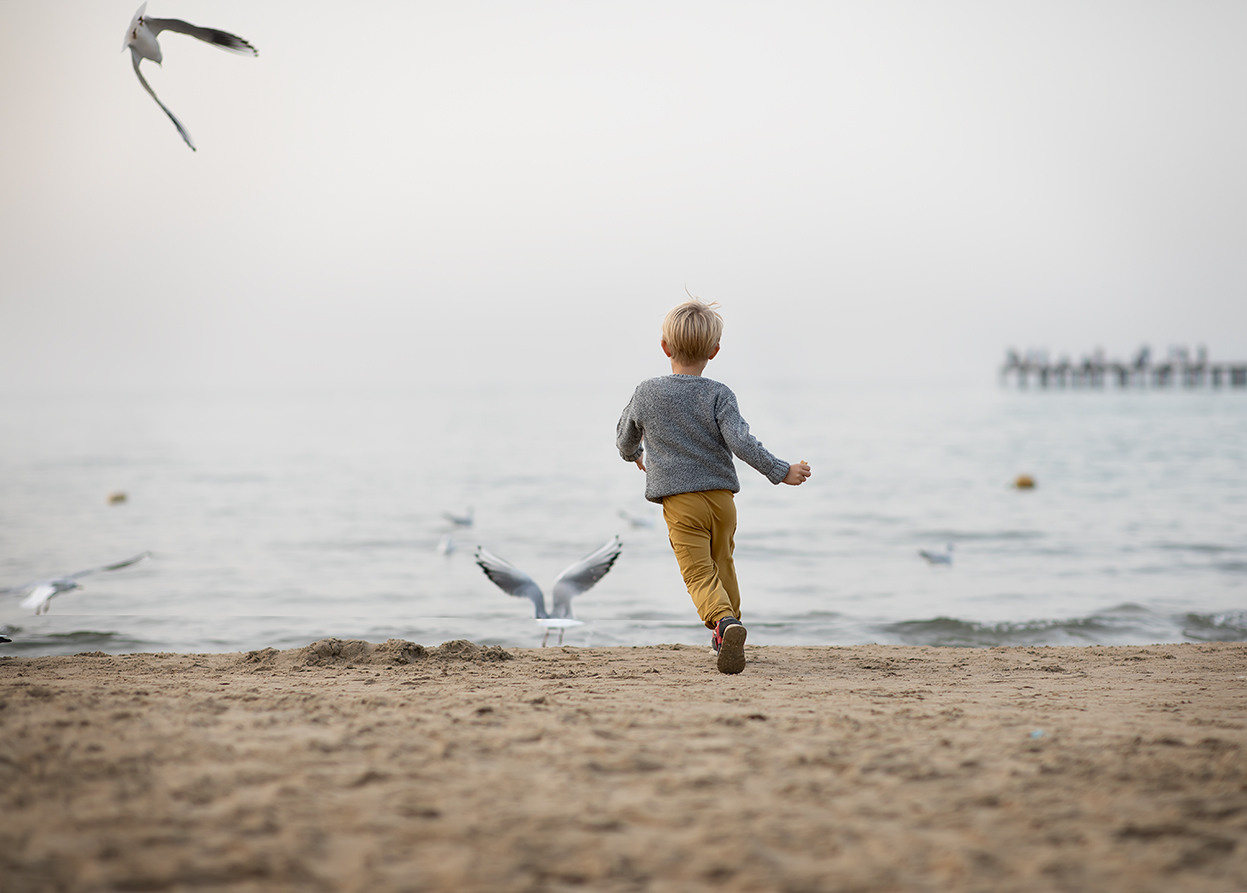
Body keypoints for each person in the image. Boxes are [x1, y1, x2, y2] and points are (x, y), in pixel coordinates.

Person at [616, 299, 811, 674]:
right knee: (723, 563)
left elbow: (625, 437)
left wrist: (633, 454)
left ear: (665, 347)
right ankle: (727, 631)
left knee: (698, 573)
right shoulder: (719, 394)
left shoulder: (646, 392)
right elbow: (742, 443)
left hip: (681, 501)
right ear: (714, 351)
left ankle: (723, 623)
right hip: (722, 500)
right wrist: (780, 470)